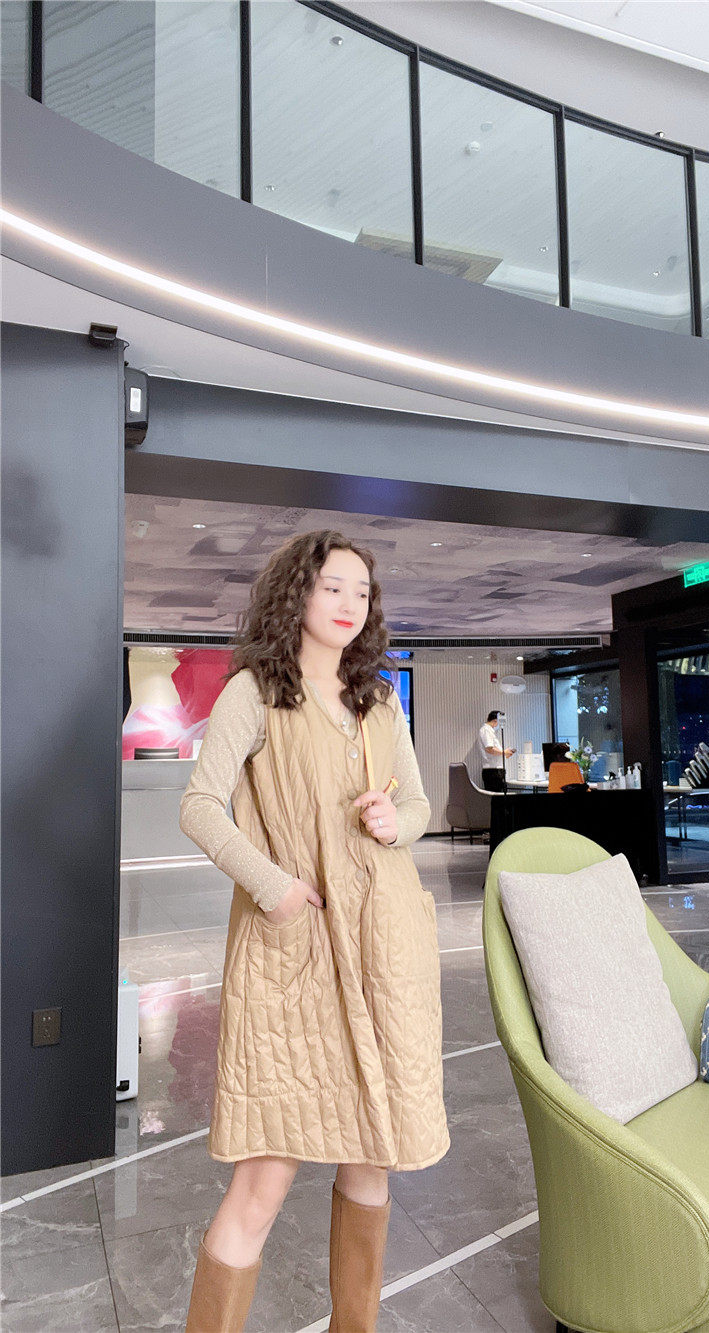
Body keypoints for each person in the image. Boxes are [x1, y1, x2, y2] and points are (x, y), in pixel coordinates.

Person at [178, 530, 450, 1332]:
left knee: (372, 1159)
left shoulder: (379, 700)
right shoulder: (255, 692)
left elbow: (418, 804)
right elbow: (199, 806)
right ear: (297, 591)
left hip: (381, 951)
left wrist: (395, 821)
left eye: (362, 592)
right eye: (333, 585)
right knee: (262, 1181)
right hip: (293, 960)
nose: (349, 603)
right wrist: (275, 888)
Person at [478, 710, 516, 792]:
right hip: (492, 771)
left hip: (495, 770)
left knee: (499, 795)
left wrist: (505, 754)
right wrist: (504, 752)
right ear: (495, 721)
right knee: (496, 796)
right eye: (501, 722)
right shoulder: (486, 730)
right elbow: (489, 749)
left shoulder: (489, 731)